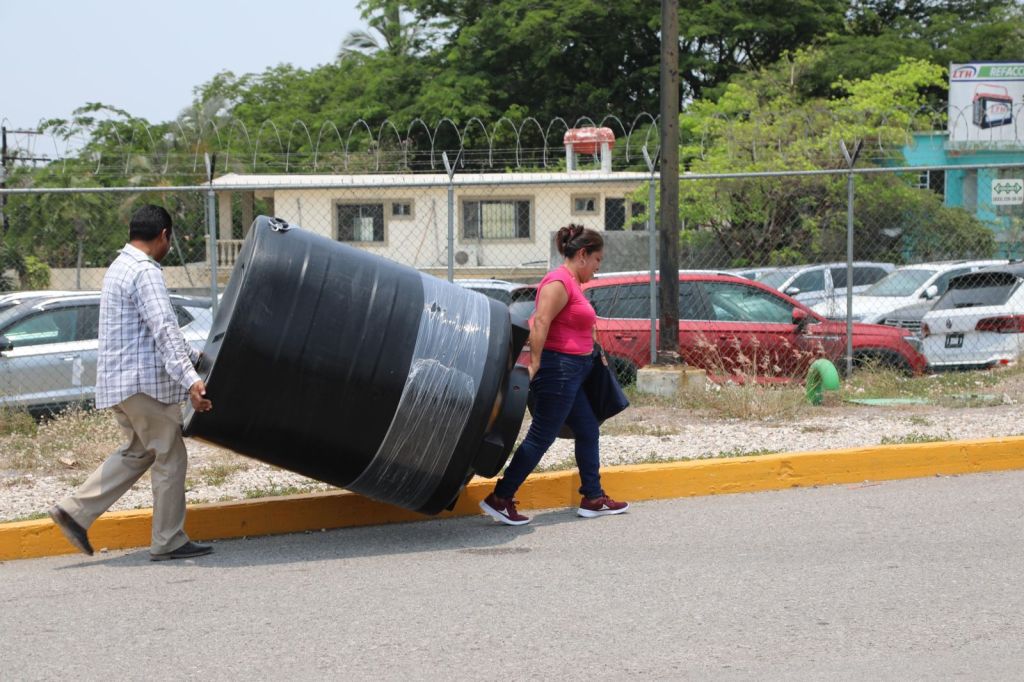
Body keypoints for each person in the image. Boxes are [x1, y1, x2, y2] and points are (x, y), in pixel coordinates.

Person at [47, 204, 215, 561]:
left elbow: (150, 330)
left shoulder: (119, 267)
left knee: (138, 453)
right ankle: (169, 540)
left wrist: (196, 356)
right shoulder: (146, 272)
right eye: (170, 240)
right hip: (143, 385)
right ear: (163, 236)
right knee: (170, 454)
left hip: (119, 385)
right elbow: (164, 330)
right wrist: (191, 381)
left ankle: (74, 512)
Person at [480, 224, 629, 525]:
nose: (598, 268)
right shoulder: (558, 281)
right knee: (541, 436)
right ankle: (500, 497)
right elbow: (540, 322)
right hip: (558, 372)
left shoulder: (572, 284)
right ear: (583, 254)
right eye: (598, 260)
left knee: (587, 428)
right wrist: (534, 363)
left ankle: (593, 497)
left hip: (573, 371)